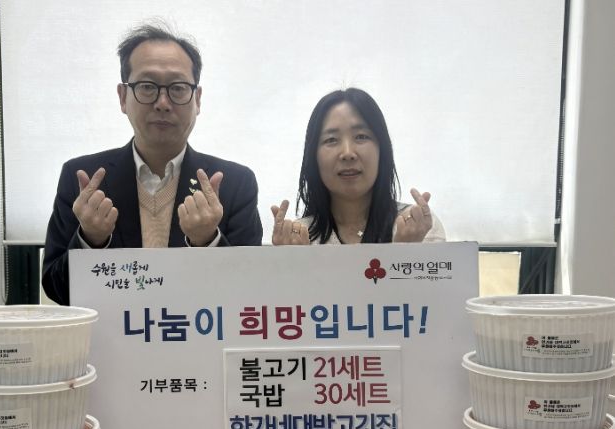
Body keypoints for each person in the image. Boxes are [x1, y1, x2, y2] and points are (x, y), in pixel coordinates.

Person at [43, 23, 263, 305]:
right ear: (123, 97)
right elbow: (57, 290)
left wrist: (207, 241)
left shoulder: (235, 183)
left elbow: (249, 292)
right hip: (112, 334)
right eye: (147, 87)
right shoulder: (82, 178)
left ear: (197, 100)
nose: (162, 102)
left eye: (178, 88)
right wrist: (90, 240)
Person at [271, 88, 445, 246]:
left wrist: (407, 251)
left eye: (361, 136)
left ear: (382, 150)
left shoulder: (418, 227)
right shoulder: (297, 239)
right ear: (313, 157)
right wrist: (292, 260)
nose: (348, 153)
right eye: (331, 139)